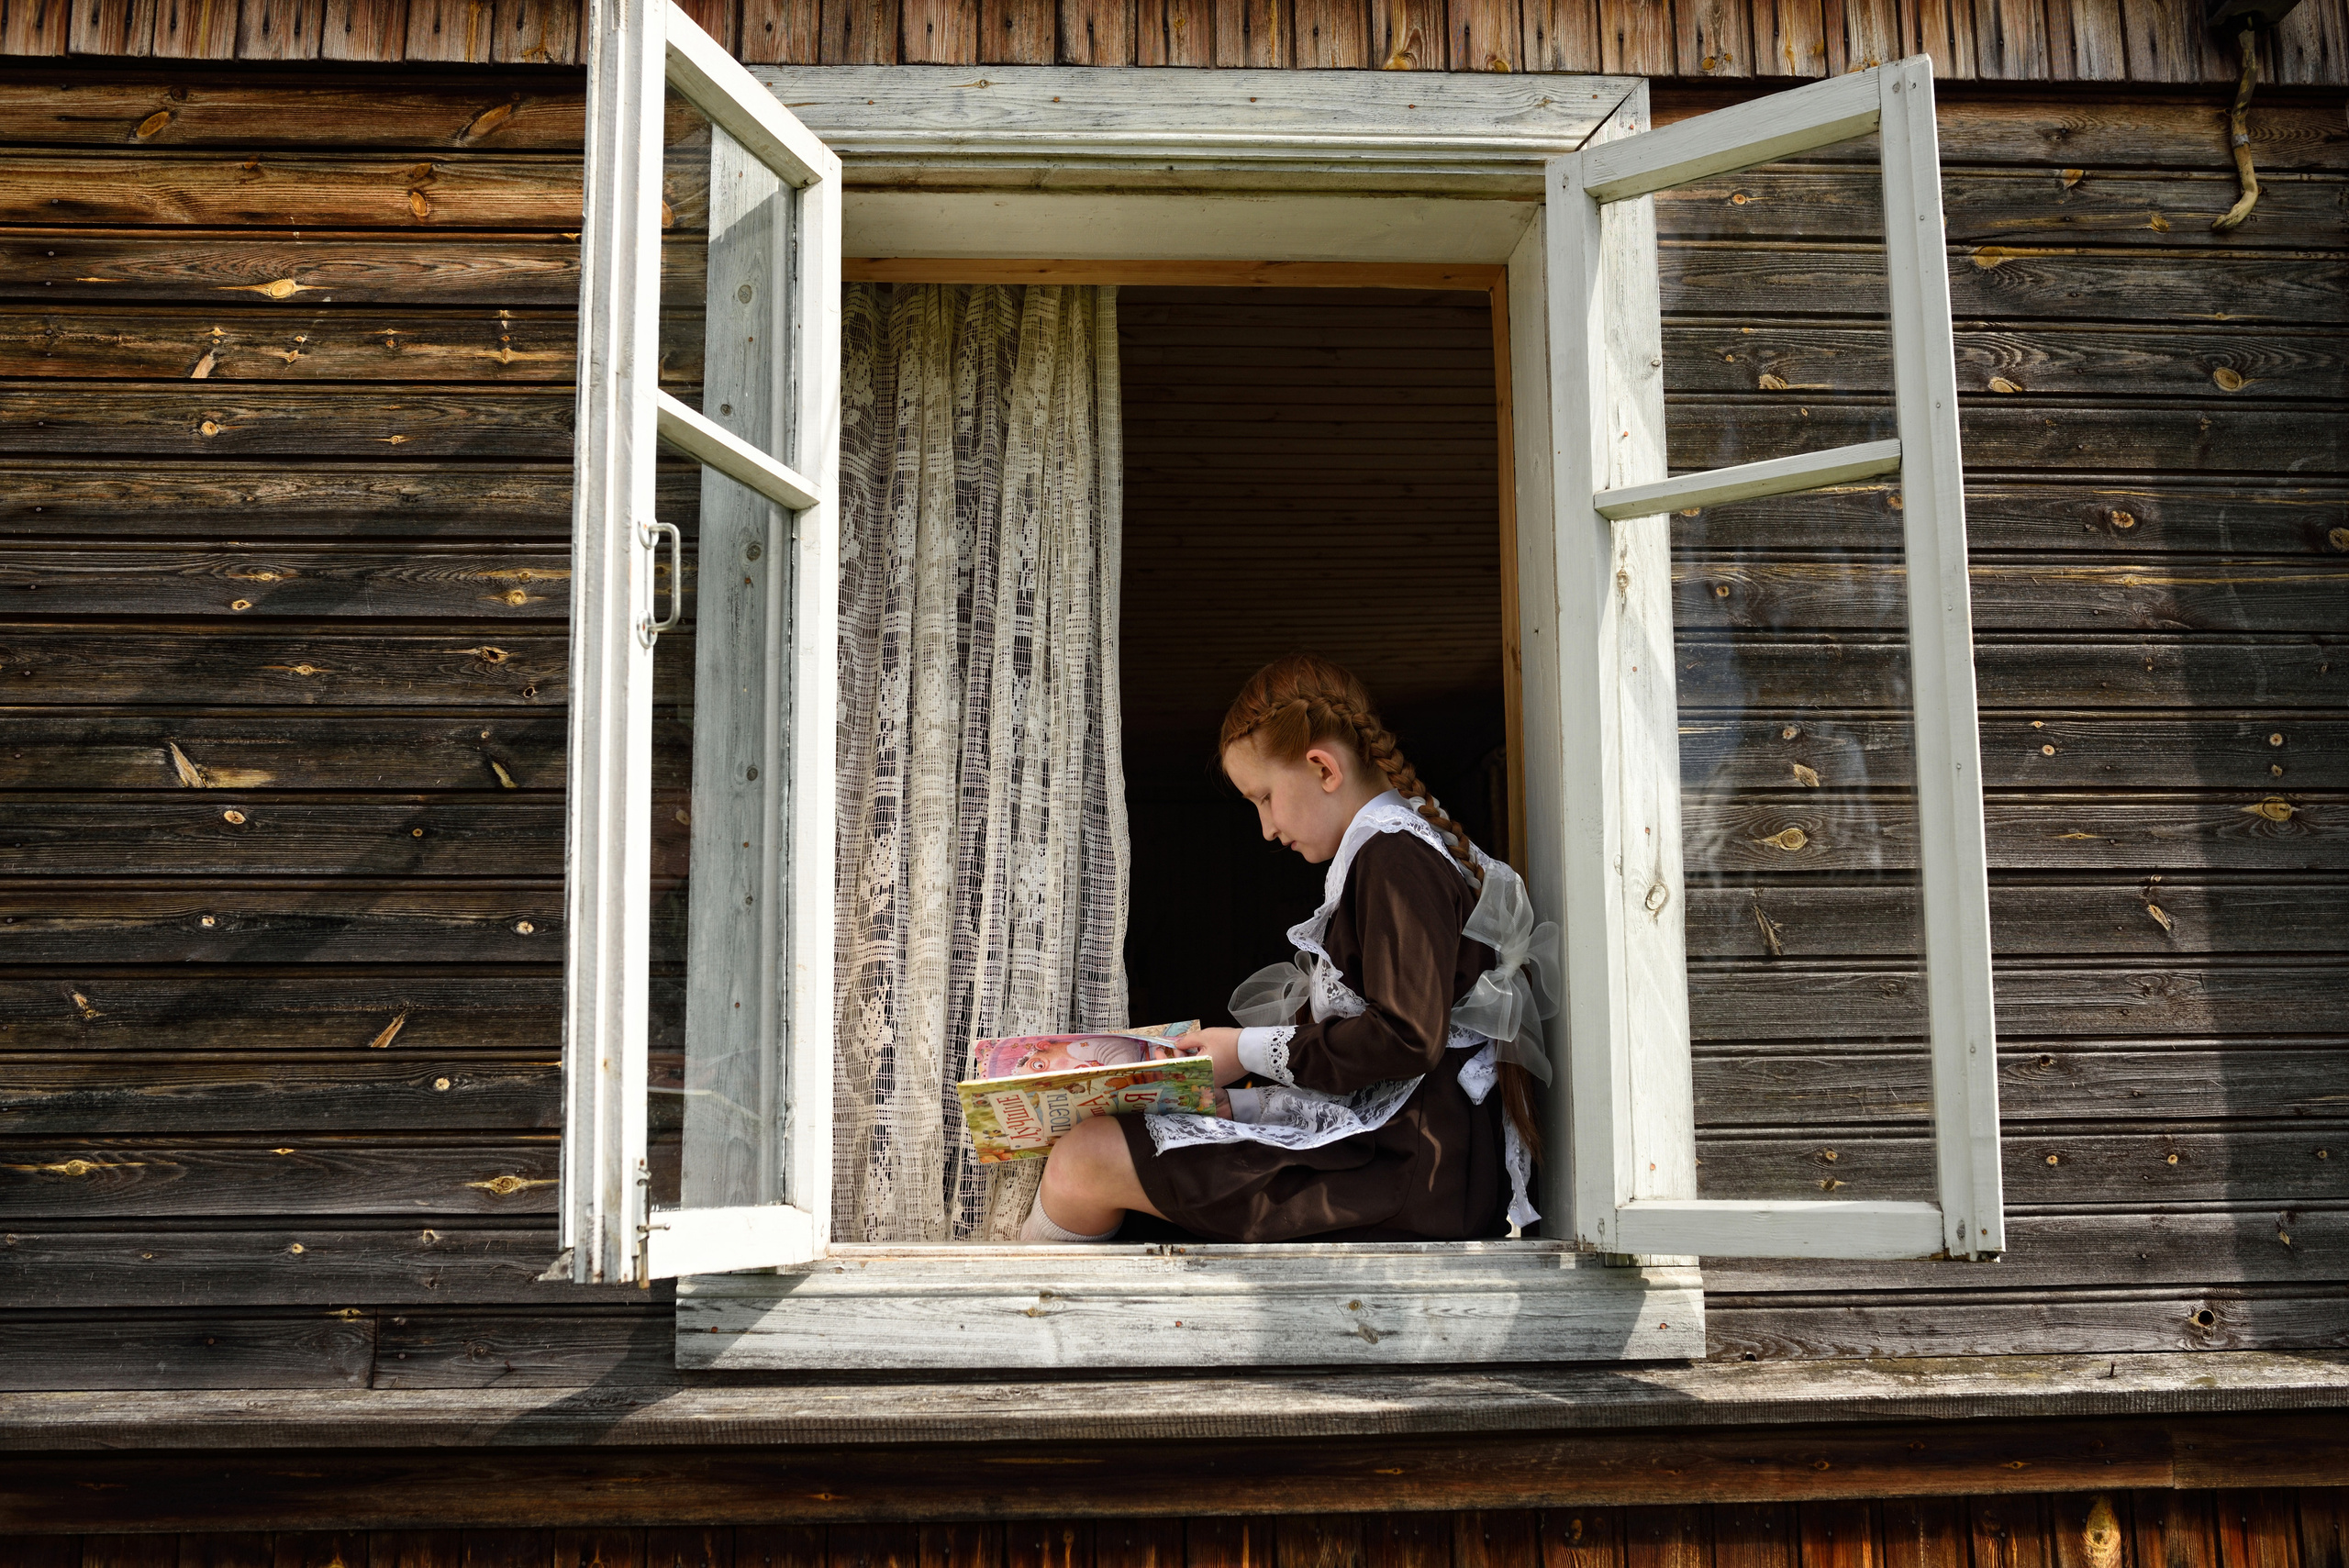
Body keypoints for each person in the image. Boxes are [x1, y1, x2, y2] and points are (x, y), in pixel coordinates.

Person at [1020, 653, 1557, 1244]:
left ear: (1323, 767)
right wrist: (1238, 1104)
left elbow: (1406, 1039)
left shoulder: (1396, 859)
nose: (1267, 829)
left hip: (1410, 1177)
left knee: (1087, 1158)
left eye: (1265, 797)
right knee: (1097, 1146)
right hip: (1396, 1160)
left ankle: (1022, 1323)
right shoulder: (1386, 855)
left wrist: (1246, 1049)